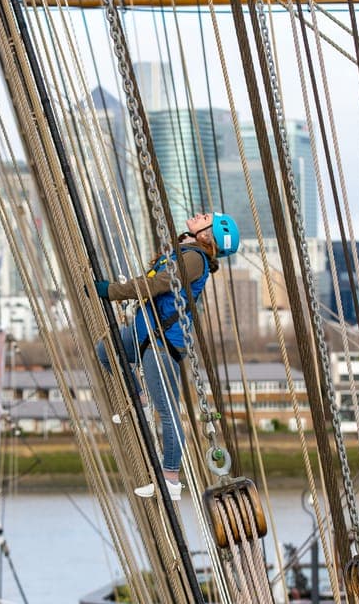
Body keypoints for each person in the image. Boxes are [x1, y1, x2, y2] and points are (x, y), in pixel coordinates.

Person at [94, 212, 239, 500]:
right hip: (144, 332)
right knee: (106, 351)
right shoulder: (185, 250)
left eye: (206, 217)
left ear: (208, 234)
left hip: (160, 343)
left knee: (170, 414)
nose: (200, 214)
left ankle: (170, 478)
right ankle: (140, 400)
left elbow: (156, 284)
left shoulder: (194, 259)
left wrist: (111, 291)